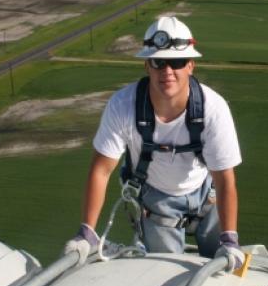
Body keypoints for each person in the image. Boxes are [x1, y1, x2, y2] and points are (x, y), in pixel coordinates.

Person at [65, 16, 244, 271]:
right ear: (147, 66)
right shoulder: (123, 106)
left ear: (191, 66)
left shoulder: (212, 109)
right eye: (159, 62)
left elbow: (225, 179)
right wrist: (87, 232)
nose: (167, 71)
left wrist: (230, 239)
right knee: (166, 276)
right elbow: (101, 170)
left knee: (224, 271)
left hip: (208, 197)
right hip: (157, 203)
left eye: (177, 62)